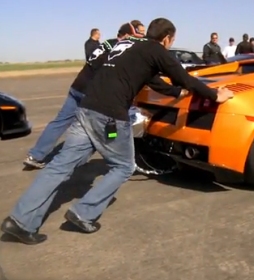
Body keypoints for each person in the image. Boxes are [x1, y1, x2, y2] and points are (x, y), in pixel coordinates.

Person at [1, 18, 234, 245]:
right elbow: (185, 78)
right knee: (123, 166)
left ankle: (20, 221)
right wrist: (216, 95)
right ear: (166, 39)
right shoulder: (156, 50)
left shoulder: (128, 46)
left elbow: (152, 80)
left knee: (59, 166)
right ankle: (83, 213)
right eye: (171, 41)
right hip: (110, 117)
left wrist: (175, 94)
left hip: (87, 108)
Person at [23, 22, 179, 169]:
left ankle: (36, 155)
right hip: (91, 92)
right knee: (106, 126)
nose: (137, 41)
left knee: (60, 122)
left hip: (77, 86)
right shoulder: (120, 48)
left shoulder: (106, 44)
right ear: (125, 35)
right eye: (135, 37)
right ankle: (109, 161)